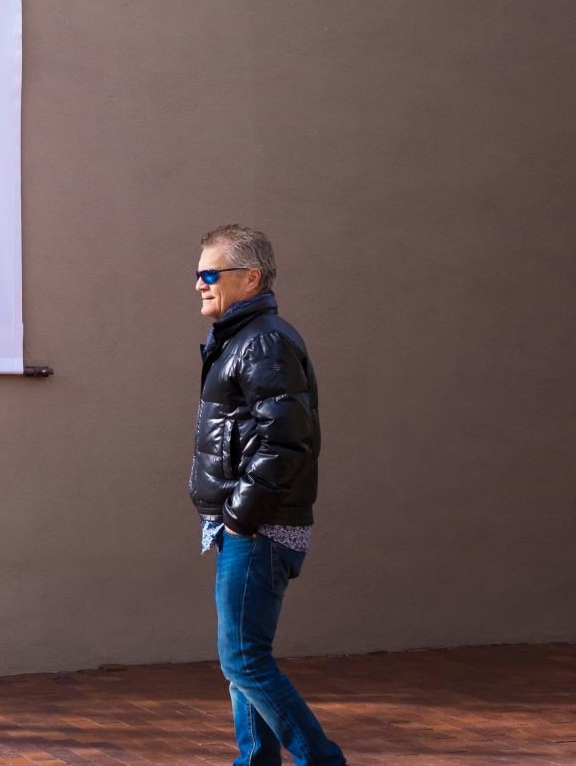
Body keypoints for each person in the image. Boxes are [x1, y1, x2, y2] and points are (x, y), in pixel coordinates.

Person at [189, 225, 344, 766]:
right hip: (246, 524)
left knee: (243, 658)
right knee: (242, 659)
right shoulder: (241, 339)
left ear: (250, 278)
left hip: (260, 527)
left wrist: (239, 518)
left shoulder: (264, 341)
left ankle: (321, 759)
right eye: (198, 274)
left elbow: (286, 438)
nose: (199, 284)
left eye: (211, 274)